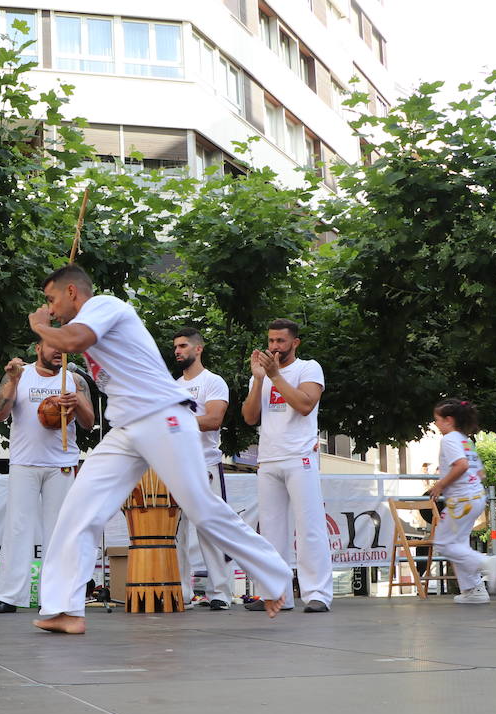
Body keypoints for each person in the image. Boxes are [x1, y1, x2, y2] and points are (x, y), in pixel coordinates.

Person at [25, 265, 292, 634]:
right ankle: (65, 609)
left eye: (51, 300)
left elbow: (71, 340)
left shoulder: (105, 305)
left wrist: (39, 326)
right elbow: (73, 339)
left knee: (202, 507)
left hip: (163, 418)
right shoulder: (85, 321)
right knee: (77, 510)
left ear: (73, 292)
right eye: (46, 307)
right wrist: (52, 327)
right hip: (127, 428)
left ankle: (275, 576)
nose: (50, 310)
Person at [0, 339, 94, 613]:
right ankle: (9, 596)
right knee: (17, 528)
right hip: (24, 463)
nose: (59, 351)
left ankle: (55, 598)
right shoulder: (19, 374)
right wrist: (11, 380)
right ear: (37, 349)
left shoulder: (74, 379)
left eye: (63, 347)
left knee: (58, 532)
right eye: (52, 346)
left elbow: (89, 422)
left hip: (62, 464)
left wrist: (77, 402)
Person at [240, 318, 332, 613]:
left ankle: (317, 593)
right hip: (268, 458)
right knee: (271, 531)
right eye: (271, 341)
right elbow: (250, 417)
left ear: (295, 343)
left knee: (310, 528)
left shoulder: (308, 367)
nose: (274, 347)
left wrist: (275, 376)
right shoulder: (264, 374)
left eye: (281, 341)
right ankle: (277, 595)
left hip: (299, 456)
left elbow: (305, 405)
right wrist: (257, 379)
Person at [170, 327, 235, 610]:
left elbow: (213, 420)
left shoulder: (214, 381)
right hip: (176, 466)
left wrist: (177, 421)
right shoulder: (172, 386)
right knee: (177, 533)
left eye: (183, 346)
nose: (177, 351)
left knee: (211, 528)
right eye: (175, 347)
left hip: (205, 463)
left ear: (198, 349)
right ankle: (182, 592)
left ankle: (220, 592)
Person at [427, 398, 492, 605]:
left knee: (444, 543)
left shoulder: (449, 440)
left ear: (448, 419)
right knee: (458, 543)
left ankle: (489, 565)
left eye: (437, 419)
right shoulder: (466, 440)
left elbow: (461, 465)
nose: (435, 424)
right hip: (475, 497)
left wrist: (440, 485)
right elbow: (480, 472)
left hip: (462, 500)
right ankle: (474, 590)